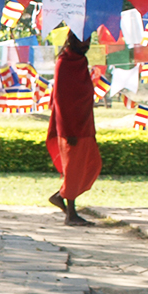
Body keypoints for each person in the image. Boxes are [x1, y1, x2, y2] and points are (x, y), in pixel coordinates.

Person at [47, 31, 102, 226]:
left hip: (85, 125)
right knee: (74, 170)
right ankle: (71, 214)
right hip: (70, 128)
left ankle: (60, 196)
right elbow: (60, 100)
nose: (86, 44)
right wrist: (67, 130)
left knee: (92, 165)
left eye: (88, 40)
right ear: (73, 40)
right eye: (83, 40)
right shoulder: (64, 62)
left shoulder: (81, 61)